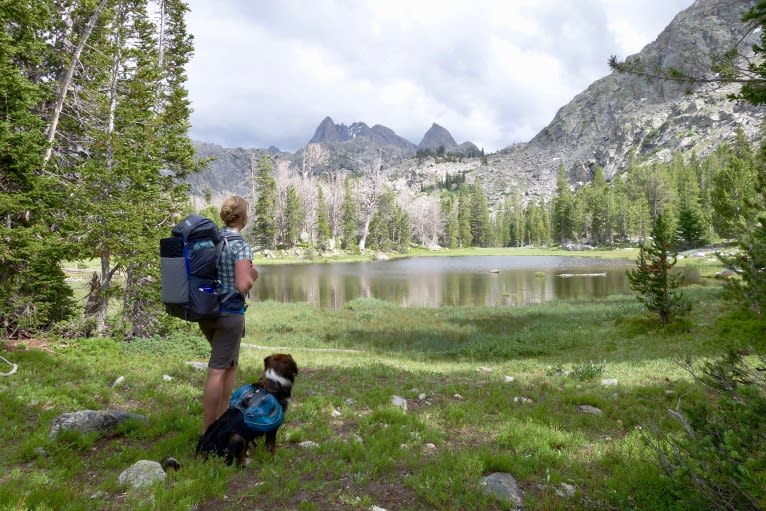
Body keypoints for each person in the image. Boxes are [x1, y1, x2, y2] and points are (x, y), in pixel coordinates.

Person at [198, 195, 259, 432]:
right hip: (229, 314)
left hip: (207, 312)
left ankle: (221, 423)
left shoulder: (211, 241)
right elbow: (243, 283)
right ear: (243, 217)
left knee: (229, 366)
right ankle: (208, 432)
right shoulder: (239, 244)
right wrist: (253, 276)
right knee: (217, 371)